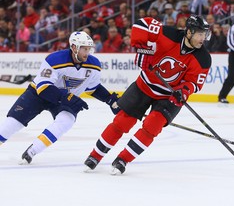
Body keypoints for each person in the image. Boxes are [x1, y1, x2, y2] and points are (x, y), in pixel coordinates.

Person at [84, 14, 212, 175]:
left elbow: (194, 82)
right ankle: (95, 156)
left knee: (152, 126)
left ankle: (123, 159)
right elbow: (141, 25)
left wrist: (183, 91)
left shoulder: (204, 58)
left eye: (205, 34)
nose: (203, 38)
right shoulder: (168, 34)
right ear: (189, 32)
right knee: (122, 121)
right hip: (144, 85)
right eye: (200, 34)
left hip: (168, 95)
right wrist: (141, 48)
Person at [0, 31, 120, 164]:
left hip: (64, 98)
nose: (87, 52)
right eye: (84, 49)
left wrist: (110, 100)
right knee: (13, 123)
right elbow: (43, 88)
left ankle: (32, 151)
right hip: (38, 94)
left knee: (67, 120)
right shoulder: (54, 59)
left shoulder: (94, 65)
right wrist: (66, 97)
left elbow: (94, 87)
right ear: (74, 47)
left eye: (89, 49)